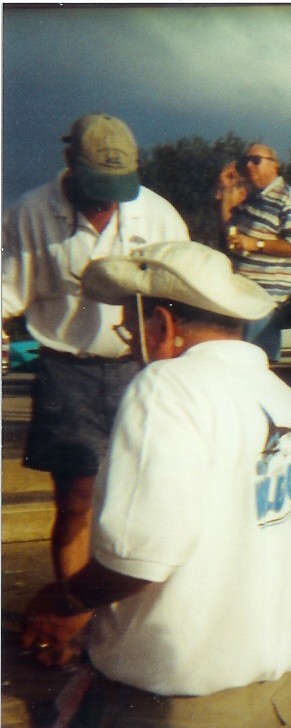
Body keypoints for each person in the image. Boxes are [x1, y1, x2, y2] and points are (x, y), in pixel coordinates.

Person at [20, 240, 291, 728]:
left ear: (161, 322)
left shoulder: (168, 385)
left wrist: (64, 601)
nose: (131, 341)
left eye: (130, 326)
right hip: (274, 710)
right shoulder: (285, 402)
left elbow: (141, 555)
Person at [2, 113, 189, 664]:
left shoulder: (159, 215)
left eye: (117, 192)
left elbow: (181, 299)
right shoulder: (29, 213)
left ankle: (141, 622)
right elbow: (8, 293)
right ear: (70, 165)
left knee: (148, 494)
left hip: (143, 370)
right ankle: (74, 617)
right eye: (97, 191)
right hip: (67, 368)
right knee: (78, 499)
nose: (107, 204)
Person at [217, 142, 291, 361]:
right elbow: (229, 241)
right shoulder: (249, 199)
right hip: (245, 292)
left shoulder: (288, 198)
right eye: (244, 161)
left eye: (256, 160)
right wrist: (225, 196)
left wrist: (255, 244)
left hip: (271, 297)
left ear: (274, 166)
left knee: (255, 360)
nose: (249, 165)